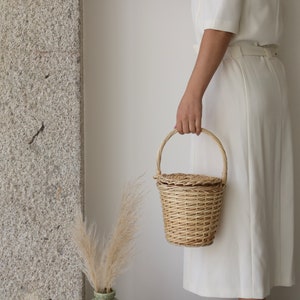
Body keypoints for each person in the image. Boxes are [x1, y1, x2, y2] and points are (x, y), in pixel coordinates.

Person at [175, 1, 295, 300]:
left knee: (236, 231)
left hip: (234, 80)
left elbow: (220, 23)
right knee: (252, 222)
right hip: (261, 75)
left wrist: (192, 92)